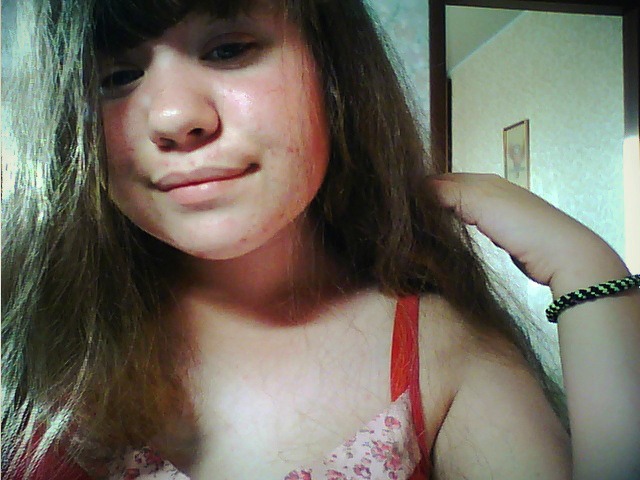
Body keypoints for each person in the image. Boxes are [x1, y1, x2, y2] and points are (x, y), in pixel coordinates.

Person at [2, 0, 639, 479]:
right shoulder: (25, 335)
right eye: (116, 76)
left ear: (334, 72)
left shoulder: (439, 355)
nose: (173, 117)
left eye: (227, 50)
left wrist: (588, 274)